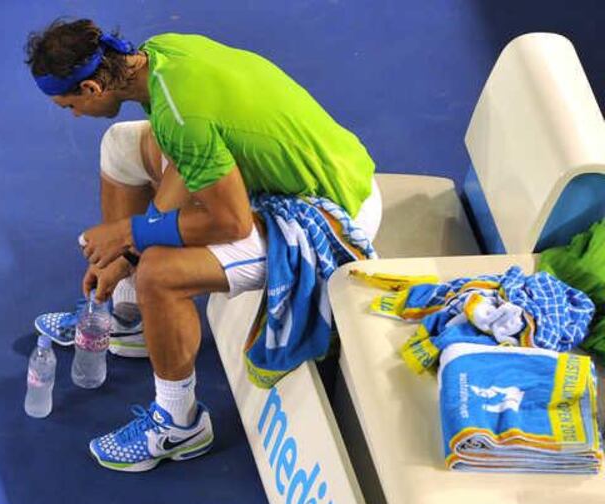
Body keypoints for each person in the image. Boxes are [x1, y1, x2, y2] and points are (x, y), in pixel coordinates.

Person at [25, 18, 382, 472]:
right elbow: (183, 160)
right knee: (120, 146)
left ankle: (179, 425)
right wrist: (124, 256)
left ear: (94, 88)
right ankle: (128, 315)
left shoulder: (181, 117)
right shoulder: (162, 55)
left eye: (68, 105)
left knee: (161, 272)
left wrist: (132, 236)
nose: (72, 115)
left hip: (326, 213)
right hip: (322, 170)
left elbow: (230, 222)